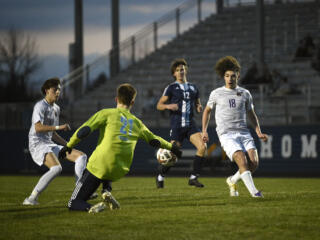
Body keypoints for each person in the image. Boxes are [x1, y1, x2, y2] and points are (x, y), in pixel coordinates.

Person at [59, 83, 182, 213]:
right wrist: (173, 148)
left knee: (73, 203)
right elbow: (154, 140)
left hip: (100, 165)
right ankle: (106, 190)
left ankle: (92, 207)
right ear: (132, 102)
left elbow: (84, 131)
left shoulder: (106, 113)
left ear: (116, 99)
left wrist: (68, 146)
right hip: (120, 169)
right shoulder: (137, 122)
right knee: (111, 161)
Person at [202, 56, 268, 197]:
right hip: (226, 134)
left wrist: (258, 132)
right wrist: (204, 131)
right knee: (241, 158)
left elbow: (251, 114)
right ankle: (255, 193)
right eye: (227, 76)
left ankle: (232, 180)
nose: (230, 78)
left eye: (233, 75)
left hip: (244, 132)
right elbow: (207, 111)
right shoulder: (216, 93)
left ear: (238, 75)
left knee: (254, 163)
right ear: (223, 77)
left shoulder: (245, 93)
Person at [23, 77, 89, 205]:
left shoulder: (56, 108)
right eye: (55, 90)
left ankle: (79, 190)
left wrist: (68, 145)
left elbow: (52, 134)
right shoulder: (40, 106)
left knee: (81, 156)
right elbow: (38, 127)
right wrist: (60, 127)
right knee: (57, 168)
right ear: (47, 91)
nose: (58, 92)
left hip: (49, 143)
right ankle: (31, 198)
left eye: (59, 90)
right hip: (37, 144)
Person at [155, 58, 207, 188]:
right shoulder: (171, 87)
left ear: (186, 70)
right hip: (177, 125)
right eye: (178, 70)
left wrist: (199, 107)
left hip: (190, 125)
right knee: (173, 155)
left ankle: (194, 178)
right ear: (174, 73)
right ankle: (160, 175)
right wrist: (168, 106)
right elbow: (159, 105)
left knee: (202, 147)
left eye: (182, 69)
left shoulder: (194, 87)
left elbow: (197, 103)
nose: (180, 72)